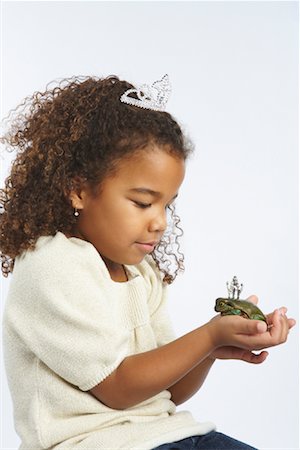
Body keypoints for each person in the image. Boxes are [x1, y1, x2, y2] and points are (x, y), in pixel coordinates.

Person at [1, 74, 295, 450]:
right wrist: (208, 334)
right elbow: (120, 388)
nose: (160, 222)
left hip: (167, 436)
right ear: (78, 190)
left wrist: (212, 349)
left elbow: (167, 391)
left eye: (166, 204)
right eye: (142, 202)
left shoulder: (140, 272)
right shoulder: (53, 266)